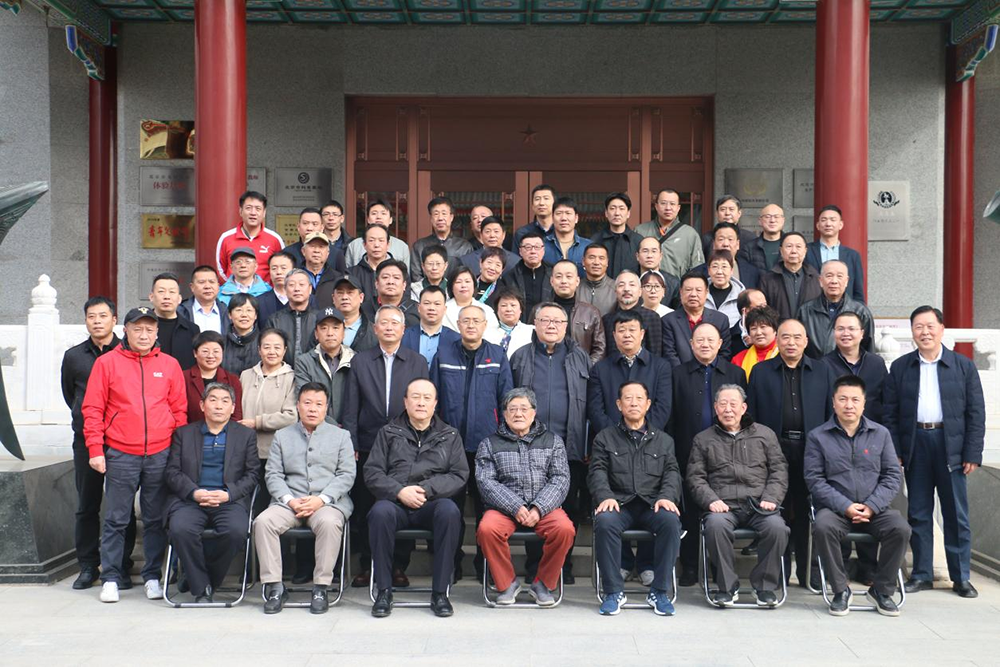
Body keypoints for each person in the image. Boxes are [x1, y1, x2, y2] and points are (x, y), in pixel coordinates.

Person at [82, 306, 187, 603]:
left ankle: (152, 576)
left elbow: (179, 410)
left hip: (160, 453)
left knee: (154, 519)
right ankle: (111, 577)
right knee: (116, 519)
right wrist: (95, 449)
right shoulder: (106, 363)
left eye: (149, 329)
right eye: (137, 329)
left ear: (156, 332)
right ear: (125, 330)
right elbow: (93, 409)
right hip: (120, 452)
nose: (143, 335)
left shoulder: (169, 365)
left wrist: (177, 452)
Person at [883, 306, 985, 599]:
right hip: (915, 443)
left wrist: (972, 452)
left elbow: (976, 412)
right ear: (912, 332)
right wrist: (896, 450)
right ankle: (922, 574)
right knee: (918, 512)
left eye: (930, 326)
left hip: (951, 445)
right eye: (918, 327)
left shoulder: (962, 366)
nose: (924, 332)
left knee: (956, 513)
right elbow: (890, 413)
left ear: (942, 329)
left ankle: (961, 577)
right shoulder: (901, 367)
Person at [804, 375, 910, 617]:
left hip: (875, 510)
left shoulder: (880, 434)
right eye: (843, 399)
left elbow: (892, 476)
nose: (848, 405)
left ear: (864, 403)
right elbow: (814, 480)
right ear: (834, 403)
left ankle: (882, 590)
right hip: (835, 510)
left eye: (855, 400)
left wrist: (871, 506)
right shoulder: (818, 436)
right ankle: (841, 590)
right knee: (823, 527)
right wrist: (845, 506)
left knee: (900, 529)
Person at [341, 305, 430, 588]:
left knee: (402, 504)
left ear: (403, 329)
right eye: (384, 323)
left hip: (407, 444)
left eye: (395, 323)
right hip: (369, 443)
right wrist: (352, 442)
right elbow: (351, 405)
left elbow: (423, 403)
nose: (389, 327)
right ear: (375, 328)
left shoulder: (417, 362)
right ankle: (368, 564)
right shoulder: (361, 361)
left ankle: (398, 565)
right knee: (368, 506)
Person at [365, 379, 468, 617]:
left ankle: (440, 593)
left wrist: (425, 490)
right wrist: (400, 491)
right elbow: (372, 472)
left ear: (435, 403)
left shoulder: (450, 435)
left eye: (426, 398)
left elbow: (459, 474)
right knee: (379, 513)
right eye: (415, 397)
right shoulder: (388, 432)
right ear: (405, 401)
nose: (421, 402)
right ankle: (383, 591)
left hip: (431, 502)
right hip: (395, 502)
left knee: (450, 512)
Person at [747, 318, 834, 588]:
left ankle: (810, 574)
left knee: (811, 512)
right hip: (774, 451)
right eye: (785, 337)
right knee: (776, 512)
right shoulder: (761, 372)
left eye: (797, 337)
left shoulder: (822, 371)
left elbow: (829, 414)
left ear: (806, 341)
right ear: (778, 340)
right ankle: (778, 574)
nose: (791, 342)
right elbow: (753, 417)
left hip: (812, 451)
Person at [255, 382, 355, 615]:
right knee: (263, 522)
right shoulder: (282, 436)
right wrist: (290, 500)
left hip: (327, 503)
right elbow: (273, 474)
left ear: (326, 408)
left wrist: (321, 499)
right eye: (307, 403)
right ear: (298, 406)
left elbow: (346, 474)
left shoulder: (341, 436)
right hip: (289, 502)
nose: (312, 408)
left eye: (319, 404)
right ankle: (275, 587)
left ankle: (321, 587)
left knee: (330, 523)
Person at [430, 304, 513, 580]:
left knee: (486, 509)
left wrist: (501, 439)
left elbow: (506, 401)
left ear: (485, 324)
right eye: (465, 321)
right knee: (450, 509)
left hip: (486, 446)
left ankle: (485, 567)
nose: (471, 325)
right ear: (458, 324)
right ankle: (450, 565)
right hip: (449, 447)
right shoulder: (444, 354)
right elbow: (433, 399)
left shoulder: (497, 355)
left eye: (476, 321)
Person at [687, 384, 789, 607]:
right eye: (722, 404)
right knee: (715, 526)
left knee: (777, 528)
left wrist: (771, 497)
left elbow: (779, 470)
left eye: (733, 404)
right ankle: (727, 587)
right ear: (715, 408)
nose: (728, 409)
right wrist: (711, 500)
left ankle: (764, 586)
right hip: (723, 506)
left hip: (759, 505)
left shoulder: (765, 435)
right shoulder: (703, 439)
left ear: (743, 408)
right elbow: (695, 477)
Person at [510, 303, 590, 584]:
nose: (552, 325)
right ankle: (535, 564)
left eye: (558, 321)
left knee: (567, 508)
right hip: (529, 447)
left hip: (569, 446)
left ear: (566, 327)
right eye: (545, 320)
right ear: (535, 323)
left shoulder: (580, 357)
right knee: (533, 506)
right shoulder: (521, 356)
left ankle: (563, 564)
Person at [60, 297, 135, 591]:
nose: (97, 321)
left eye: (103, 316)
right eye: (91, 316)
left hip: (121, 439)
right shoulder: (74, 356)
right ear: (86, 320)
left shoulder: (128, 353)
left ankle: (122, 563)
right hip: (86, 439)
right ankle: (88, 565)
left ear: (114, 320)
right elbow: (70, 395)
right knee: (87, 504)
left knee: (122, 505)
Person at [590, 381, 683, 616]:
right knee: (605, 521)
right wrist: (605, 496)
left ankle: (659, 591)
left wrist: (667, 496)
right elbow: (597, 471)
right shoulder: (604, 438)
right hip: (619, 504)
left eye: (639, 398)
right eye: (628, 398)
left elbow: (672, 472)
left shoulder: (664, 440)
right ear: (619, 404)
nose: (633, 403)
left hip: (652, 504)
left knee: (670, 521)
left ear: (648, 404)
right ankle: (613, 592)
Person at [475, 388, 574, 606]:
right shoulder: (489, 444)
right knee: (487, 529)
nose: (518, 414)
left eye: (523, 408)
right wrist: (516, 506)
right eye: (512, 409)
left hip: (544, 508)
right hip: (504, 509)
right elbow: (486, 482)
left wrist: (539, 508)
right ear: (504, 414)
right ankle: (507, 583)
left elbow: (560, 479)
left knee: (564, 529)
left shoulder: (553, 441)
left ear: (534, 412)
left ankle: (543, 583)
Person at [667, 322, 746, 584]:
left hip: (727, 455)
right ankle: (690, 566)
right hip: (687, 451)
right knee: (689, 511)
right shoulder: (677, 374)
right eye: (699, 340)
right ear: (691, 344)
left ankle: (717, 567)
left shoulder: (735, 373)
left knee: (721, 511)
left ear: (720, 344)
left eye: (711, 340)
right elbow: (671, 417)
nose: (705, 344)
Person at [164, 382, 259, 603]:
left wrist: (229, 494)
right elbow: (172, 472)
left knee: (235, 531)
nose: (218, 406)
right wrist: (193, 492)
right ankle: (202, 589)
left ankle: (198, 579)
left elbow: (253, 474)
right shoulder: (184, 433)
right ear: (202, 405)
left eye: (225, 401)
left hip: (228, 501)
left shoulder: (245, 435)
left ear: (233, 407)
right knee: (180, 529)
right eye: (213, 400)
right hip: (191, 500)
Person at [588, 310, 673, 435]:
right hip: (610, 441)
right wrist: (616, 436)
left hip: (650, 440)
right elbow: (595, 410)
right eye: (621, 330)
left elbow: (662, 407)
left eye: (632, 330)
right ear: (614, 335)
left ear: (642, 334)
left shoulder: (660, 366)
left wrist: (642, 434)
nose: (627, 335)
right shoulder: (600, 369)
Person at [239, 328, 298, 497]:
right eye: (266, 347)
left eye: (277, 347)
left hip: (275, 451)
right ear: (259, 350)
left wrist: (256, 422)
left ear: (285, 350)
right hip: (245, 450)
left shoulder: (291, 378)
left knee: (269, 496)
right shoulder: (246, 375)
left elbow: (291, 416)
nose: (272, 352)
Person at [797, 260, 874, 359]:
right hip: (815, 367)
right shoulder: (805, 311)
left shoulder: (861, 312)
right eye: (829, 276)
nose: (834, 281)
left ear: (846, 281)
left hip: (849, 367)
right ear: (820, 281)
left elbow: (869, 349)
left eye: (839, 276)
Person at [822, 311, 888, 424]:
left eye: (851, 329)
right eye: (840, 329)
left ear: (862, 333)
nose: (845, 333)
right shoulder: (824, 364)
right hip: (835, 430)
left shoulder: (876, 363)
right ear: (834, 333)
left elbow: (886, 401)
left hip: (871, 429)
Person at [294, 307, 355, 426]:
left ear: (344, 333)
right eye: (324, 328)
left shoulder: (355, 360)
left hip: (348, 429)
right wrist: (331, 427)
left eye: (335, 328)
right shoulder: (304, 362)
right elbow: (305, 399)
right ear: (316, 334)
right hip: (315, 428)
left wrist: (346, 427)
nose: (330, 333)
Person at [661, 272, 731, 367]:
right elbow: (669, 354)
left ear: (706, 292)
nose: (693, 294)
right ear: (681, 292)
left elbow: (725, 353)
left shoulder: (720, 319)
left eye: (698, 290)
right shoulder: (668, 320)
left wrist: (709, 372)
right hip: (680, 373)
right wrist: (683, 373)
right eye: (688, 290)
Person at [215, 190, 285, 283]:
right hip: (233, 291)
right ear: (240, 211)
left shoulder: (275, 239)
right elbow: (221, 270)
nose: (253, 213)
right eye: (248, 208)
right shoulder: (226, 238)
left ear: (264, 213)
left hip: (266, 291)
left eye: (258, 209)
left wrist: (267, 289)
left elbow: (282, 267)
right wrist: (234, 288)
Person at [634, 188, 704, 277]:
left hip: (678, 284)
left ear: (678, 208)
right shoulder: (640, 231)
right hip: (647, 284)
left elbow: (698, 267)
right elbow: (632, 263)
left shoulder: (690, 234)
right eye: (663, 203)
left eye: (672, 204)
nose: (668, 208)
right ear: (656, 206)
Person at [805, 205, 866, 303]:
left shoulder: (852, 256)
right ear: (818, 225)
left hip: (844, 308)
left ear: (841, 225)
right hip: (813, 307)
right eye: (824, 220)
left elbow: (858, 291)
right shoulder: (806, 251)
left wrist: (858, 310)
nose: (828, 223)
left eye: (833, 220)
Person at [550, 259, 605, 364]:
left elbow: (600, 348)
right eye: (558, 276)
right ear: (552, 281)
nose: (564, 281)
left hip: (582, 370)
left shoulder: (591, 312)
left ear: (577, 281)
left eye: (569, 276)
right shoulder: (540, 310)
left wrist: (586, 368)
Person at [758, 231, 821, 321]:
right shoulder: (768, 280)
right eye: (789, 246)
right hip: (779, 329)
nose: (793, 251)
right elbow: (763, 311)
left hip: (808, 329)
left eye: (798, 247)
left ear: (805, 251)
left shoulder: (816, 279)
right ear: (781, 251)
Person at [185, 331, 244, 424]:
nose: (210, 356)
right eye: (205, 351)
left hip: (225, 432)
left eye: (216, 351)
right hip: (190, 431)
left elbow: (236, 415)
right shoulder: (183, 378)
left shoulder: (232, 380)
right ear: (195, 353)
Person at [602, 270, 663, 358]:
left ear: (640, 291)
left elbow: (656, 353)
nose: (626, 289)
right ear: (615, 292)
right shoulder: (607, 319)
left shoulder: (651, 317)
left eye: (632, 285)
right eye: (621, 285)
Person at [411, 196, 473, 283]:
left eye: (444, 213)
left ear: (451, 217)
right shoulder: (419, 246)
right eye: (436, 214)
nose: (440, 218)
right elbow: (416, 276)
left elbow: (468, 276)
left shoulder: (464, 246)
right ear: (431, 218)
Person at [265, 269, 316, 366]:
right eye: (291, 285)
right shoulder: (275, 320)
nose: (297, 289)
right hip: (281, 372)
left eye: (301, 284)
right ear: (285, 289)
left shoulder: (319, 319)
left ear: (310, 289)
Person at [401, 285, 460, 367]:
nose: (432, 308)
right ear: (419, 307)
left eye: (437, 304)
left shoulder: (456, 339)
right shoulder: (404, 336)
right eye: (427, 303)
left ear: (445, 309)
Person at [500, 229, 552, 322]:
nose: (533, 251)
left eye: (537, 247)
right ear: (520, 251)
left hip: (547, 323)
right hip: (519, 325)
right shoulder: (510, 277)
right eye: (528, 247)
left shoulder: (553, 274)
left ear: (543, 250)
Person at [149, 272, 198, 370]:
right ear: (151, 297)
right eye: (161, 291)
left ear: (179, 298)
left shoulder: (192, 329)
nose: (167, 296)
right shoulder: (142, 327)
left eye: (172, 292)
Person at [344, 199, 410, 270]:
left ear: (390, 219)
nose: (379, 217)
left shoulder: (402, 247)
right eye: (374, 213)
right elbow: (348, 273)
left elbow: (405, 274)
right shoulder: (354, 245)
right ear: (368, 219)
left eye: (383, 213)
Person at [693, 223, 760, 289]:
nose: (726, 244)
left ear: (737, 244)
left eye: (730, 239)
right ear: (714, 244)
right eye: (721, 239)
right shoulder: (698, 272)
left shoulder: (752, 272)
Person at [591, 192, 642, 278]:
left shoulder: (638, 241)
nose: (617, 213)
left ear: (628, 213)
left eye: (621, 209)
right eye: (612, 208)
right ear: (606, 213)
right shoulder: (595, 240)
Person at [284, 208, 346, 276]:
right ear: (298, 227)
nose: (309, 228)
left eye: (315, 224)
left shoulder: (336, 254)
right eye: (305, 223)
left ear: (322, 227)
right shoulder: (287, 253)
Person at [443, 265, 500, 337]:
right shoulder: (442, 310)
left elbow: (493, 336)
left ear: (474, 285)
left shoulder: (487, 311)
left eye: (467, 281)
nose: (463, 285)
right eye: (458, 282)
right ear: (451, 287)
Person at [360, 259, 419, 329]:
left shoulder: (418, 310)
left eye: (396, 278)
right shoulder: (363, 310)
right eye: (385, 277)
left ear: (404, 285)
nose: (390, 282)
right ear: (376, 284)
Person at [700, 195, 755, 264]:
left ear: (739, 213)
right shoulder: (707, 238)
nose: (727, 213)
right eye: (723, 209)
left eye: (731, 209)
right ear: (717, 213)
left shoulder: (750, 238)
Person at [348, 224, 393, 310]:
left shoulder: (399, 273)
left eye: (381, 240)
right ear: (364, 244)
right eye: (371, 240)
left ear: (388, 244)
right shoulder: (352, 273)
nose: (376, 245)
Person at [542, 197, 591, 272]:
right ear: (552, 218)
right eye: (559, 213)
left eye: (568, 213)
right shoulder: (542, 246)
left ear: (576, 218)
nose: (564, 218)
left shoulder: (588, 246)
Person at [178, 265, 230, 335]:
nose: (207, 286)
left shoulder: (227, 312)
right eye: (201, 282)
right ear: (192, 287)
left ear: (218, 286)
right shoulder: (180, 312)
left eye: (212, 282)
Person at [732, 306, 780, 380]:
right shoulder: (738, 359)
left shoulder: (785, 355)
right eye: (753, 328)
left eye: (763, 327)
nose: (758, 333)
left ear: (775, 330)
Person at [332, 275, 378, 353]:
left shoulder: (373, 332)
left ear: (361, 297)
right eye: (340, 293)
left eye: (350, 293)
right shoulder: (324, 329)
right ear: (333, 298)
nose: (344, 297)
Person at [486, 288, 536, 358]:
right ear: (497, 310)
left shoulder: (532, 331)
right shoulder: (486, 333)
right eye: (503, 305)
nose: (509, 309)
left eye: (513, 305)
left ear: (520, 309)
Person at [703, 250, 745, 328]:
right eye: (715, 267)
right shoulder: (700, 294)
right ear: (709, 270)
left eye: (724, 267)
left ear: (731, 270)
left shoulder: (742, 297)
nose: (719, 272)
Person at [222, 294, 262, 376]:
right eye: (239, 310)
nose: (244, 315)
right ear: (230, 315)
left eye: (249, 310)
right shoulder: (221, 343)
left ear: (255, 315)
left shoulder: (263, 342)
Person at [636, 236, 680, 308]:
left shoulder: (673, 283)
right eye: (645, 251)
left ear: (661, 256)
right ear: (637, 256)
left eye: (654, 251)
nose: (649, 255)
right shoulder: (630, 280)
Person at [576, 243, 617, 316]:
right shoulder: (575, 288)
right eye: (592, 257)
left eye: (601, 258)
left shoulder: (616, 288)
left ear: (607, 262)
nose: (596, 262)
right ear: (583, 261)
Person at [299, 231, 344, 299]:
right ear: (303, 251)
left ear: (328, 253)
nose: (317, 250)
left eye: (321, 247)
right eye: (312, 246)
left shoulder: (338, 279)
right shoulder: (294, 277)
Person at [513, 184, 556, 249]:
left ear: (554, 203)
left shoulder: (562, 230)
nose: (541, 203)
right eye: (537, 199)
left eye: (546, 198)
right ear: (532, 205)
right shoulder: (522, 233)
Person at [256, 251, 295, 323]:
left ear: (293, 271)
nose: (278, 272)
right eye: (274, 268)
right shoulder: (259, 302)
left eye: (283, 268)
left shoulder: (308, 300)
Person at [746, 204, 786, 272]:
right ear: (760, 221)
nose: (772, 220)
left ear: (783, 220)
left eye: (776, 216)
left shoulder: (793, 246)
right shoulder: (749, 248)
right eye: (767, 217)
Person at [730, 288, 767, 359]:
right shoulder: (730, 336)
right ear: (745, 311)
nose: (764, 310)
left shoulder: (774, 330)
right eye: (759, 307)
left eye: (765, 305)